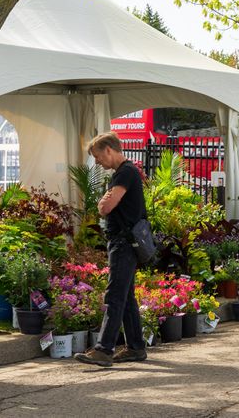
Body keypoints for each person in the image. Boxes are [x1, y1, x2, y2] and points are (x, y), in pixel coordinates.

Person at [75, 132, 148, 367]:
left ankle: (104, 349)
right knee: (125, 296)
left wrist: (103, 202)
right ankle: (136, 347)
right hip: (125, 242)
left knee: (115, 294)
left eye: (98, 157)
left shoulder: (125, 173)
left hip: (123, 243)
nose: (97, 162)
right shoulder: (124, 173)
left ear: (108, 150)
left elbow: (105, 207)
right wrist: (104, 202)